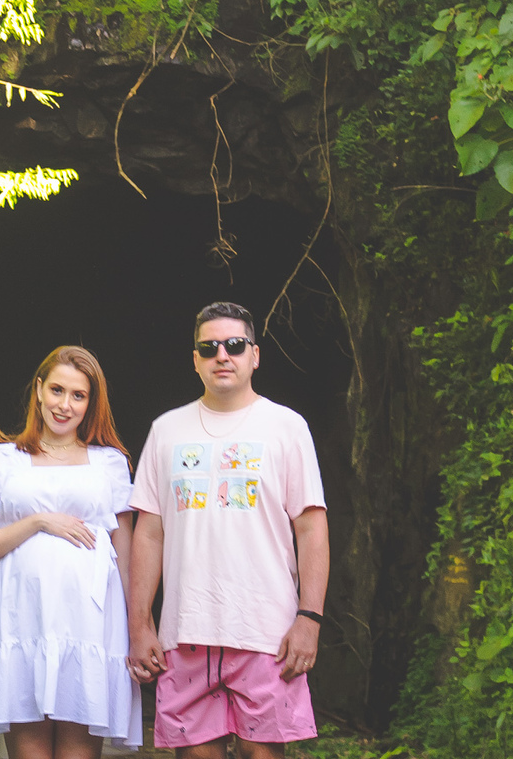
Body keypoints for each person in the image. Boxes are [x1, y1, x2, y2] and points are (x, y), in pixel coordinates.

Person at [127, 301, 330, 759]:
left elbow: (311, 527)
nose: (223, 355)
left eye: (235, 345)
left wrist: (309, 618)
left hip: (267, 632)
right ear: (195, 359)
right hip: (187, 632)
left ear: (254, 355)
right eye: (209, 346)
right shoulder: (166, 430)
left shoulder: (286, 427)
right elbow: (149, 532)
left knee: (263, 754)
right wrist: (140, 624)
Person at [0, 344, 143, 759]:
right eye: (57, 390)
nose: (65, 405)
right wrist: (37, 522)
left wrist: (137, 629)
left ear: (91, 404)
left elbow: (126, 557)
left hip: (91, 626)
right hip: (22, 622)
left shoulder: (109, 463)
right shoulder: (3, 459)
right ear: (38, 390)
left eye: (79, 395)